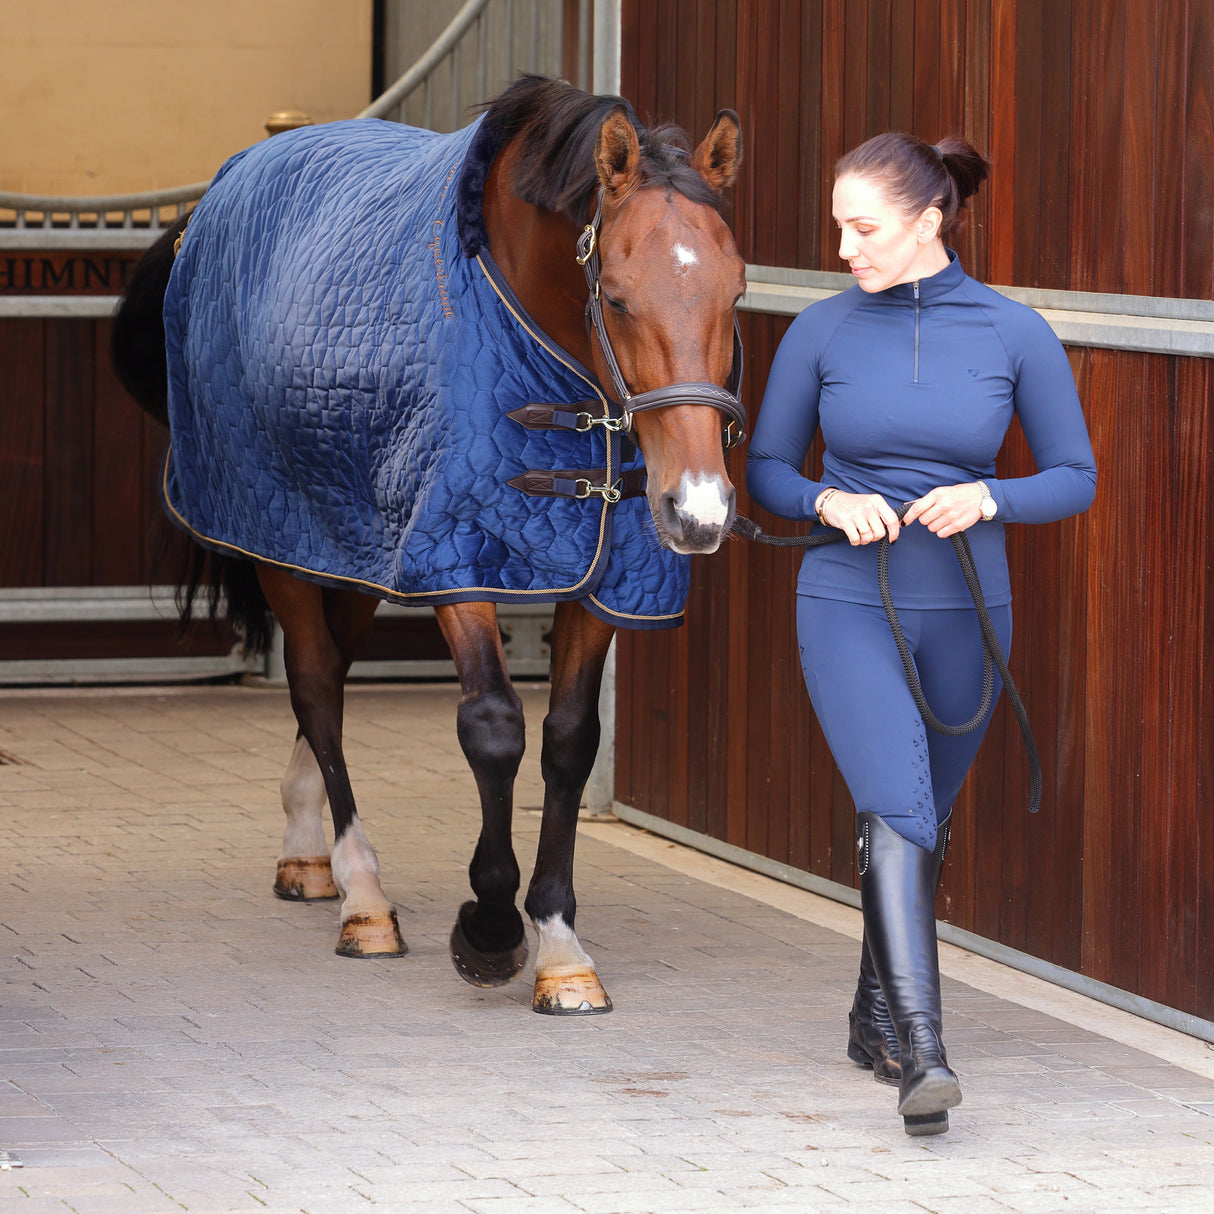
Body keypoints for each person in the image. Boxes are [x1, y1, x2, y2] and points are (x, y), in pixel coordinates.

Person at [745, 133, 1096, 1136]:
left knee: (923, 820)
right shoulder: (819, 331)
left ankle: (871, 1018)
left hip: (970, 614)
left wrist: (990, 496)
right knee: (897, 810)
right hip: (848, 601)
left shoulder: (1013, 332)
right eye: (838, 226)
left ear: (928, 222)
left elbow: (1073, 476)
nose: (842, 247)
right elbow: (766, 468)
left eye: (863, 228)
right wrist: (825, 498)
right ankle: (923, 1051)